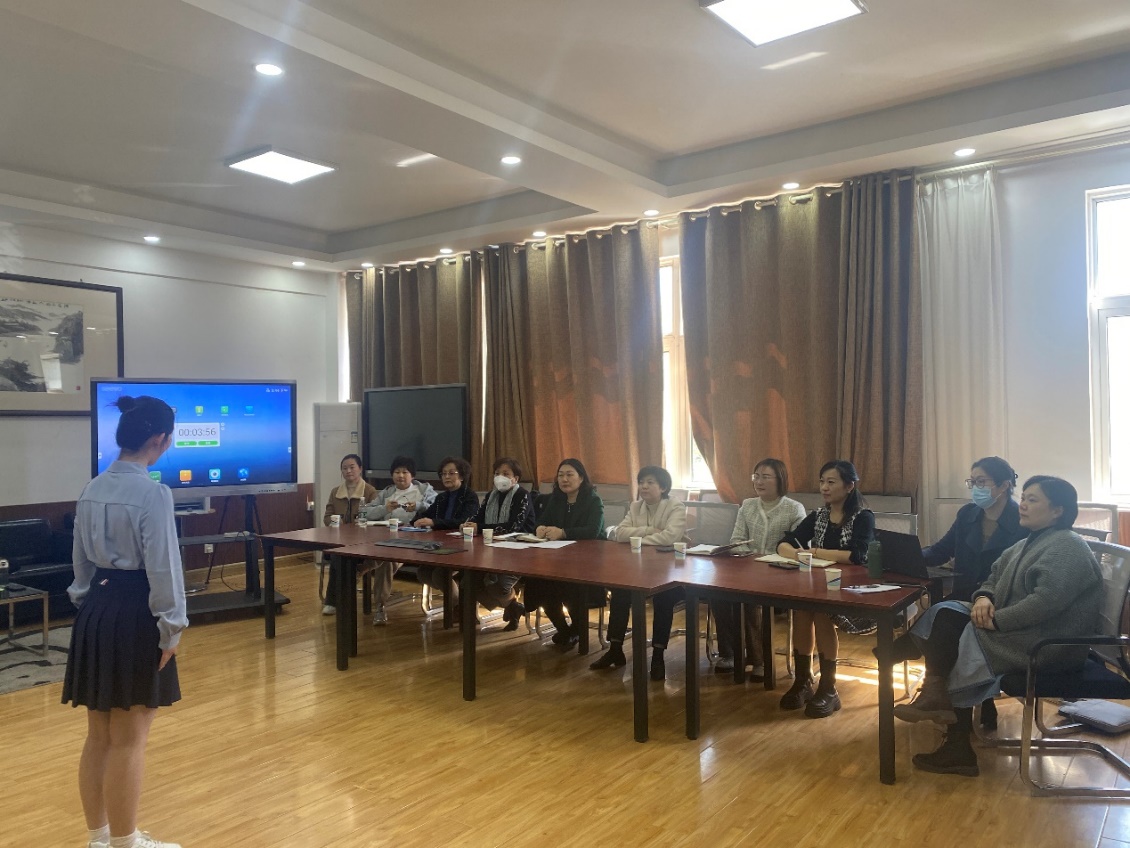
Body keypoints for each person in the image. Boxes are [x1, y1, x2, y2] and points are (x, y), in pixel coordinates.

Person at [892, 476, 1102, 777]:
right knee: (946, 614)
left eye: (1032, 500)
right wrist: (983, 598)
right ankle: (940, 704)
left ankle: (949, 729)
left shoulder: (1067, 547)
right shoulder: (1028, 542)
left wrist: (997, 620)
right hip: (1025, 633)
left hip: (1048, 646)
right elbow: (992, 577)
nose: (1023, 505)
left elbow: (1045, 602)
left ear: (1058, 511)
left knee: (958, 635)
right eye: (1024, 497)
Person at [62, 395, 187, 848]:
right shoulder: (153, 493)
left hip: (96, 608)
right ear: (160, 439)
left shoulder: (92, 487)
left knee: (99, 735)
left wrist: (91, 606)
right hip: (137, 613)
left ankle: (99, 838)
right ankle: (125, 843)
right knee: (129, 738)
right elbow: (163, 568)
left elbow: (79, 566)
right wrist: (172, 627)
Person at [777, 460, 875, 719]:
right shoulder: (819, 515)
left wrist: (815, 552)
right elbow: (784, 543)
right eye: (822, 482)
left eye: (831, 482)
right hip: (820, 583)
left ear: (849, 486)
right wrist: (797, 554)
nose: (824, 487)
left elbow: (857, 556)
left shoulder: (863, 517)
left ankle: (829, 687)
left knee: (821, 611)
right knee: (801, 609)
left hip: (853, 588)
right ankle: (803, 681)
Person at [712, 458, 807, 678]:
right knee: (718, 593)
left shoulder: (794, 508)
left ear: (780, 479)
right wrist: (749, 559)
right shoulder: (748, 505)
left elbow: (800, 546)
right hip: (747, 570)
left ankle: (760, 661)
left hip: (781, 574)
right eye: (756, 476)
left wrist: (770, 559)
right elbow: (737, 539)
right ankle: (730, 653)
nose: (759, 481)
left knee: (751, 599)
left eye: (765, 477)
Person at [590, 465, 687, 680]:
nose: (644, 486)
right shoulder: (635, 507)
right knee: (620, 591)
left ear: (663, 487)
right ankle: (615, 649)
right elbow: (619, 533)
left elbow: (670, 537)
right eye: (641, 482)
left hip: (670, 572)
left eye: (650, 482)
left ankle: (658, 655)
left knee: (663, 599)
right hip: (638, 569)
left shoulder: (675, 506)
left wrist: (637, 538)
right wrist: (650, 531)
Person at [522, 459, 605, 650]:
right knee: (538, 582)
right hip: (557, 560)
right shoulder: (556, 499)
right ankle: (564, 629)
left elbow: (593, 530)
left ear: (581, 478)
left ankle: (577, 629)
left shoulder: (593, 500)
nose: (564, 479)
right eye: (560, 475)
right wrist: (539, 528)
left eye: (569, 475)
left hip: (587, 562)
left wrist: (564, 533)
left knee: (570, 586)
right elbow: (540, 521)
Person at [924, 456, 1027, 602]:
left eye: (981, 481)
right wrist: (911, 557)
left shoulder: (1024, 521)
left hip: (999, 600)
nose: (975, 487)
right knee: (936, 612)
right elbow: (941, 551)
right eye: (972, 482)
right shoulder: (967, 514)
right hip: (963, 595)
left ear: (1004, 486)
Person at [355, 456, 436, 624]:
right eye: (397, 472)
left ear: (412, 475)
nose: (400, 476)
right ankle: (379, 604)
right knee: (385, 556)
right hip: (387, 539)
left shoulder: (424, 490)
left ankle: (367, 577)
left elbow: (436, 508)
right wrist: (384, 508)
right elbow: (364, 512)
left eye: (405, 472)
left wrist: (419, 506)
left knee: (386, 558)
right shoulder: (387, 492)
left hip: (415, 540)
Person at [463, 456, 535, 630]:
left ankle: (511, 604)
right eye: (497, 473)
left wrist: (480, 527)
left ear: (515, 478)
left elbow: (513, 526)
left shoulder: (522, 495)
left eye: (505, 473)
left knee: (497, 585)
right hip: (490, 551)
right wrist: (468, 524)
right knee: (469, 582)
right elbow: (478, 517)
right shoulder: (491, 496)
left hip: (518, 553)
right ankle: (513, 606)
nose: (500, 477)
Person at [414, 457, 480, 604]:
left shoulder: (470, 496)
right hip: (441, 545)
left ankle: (459, 607)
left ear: (461, 476)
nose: (446, 477)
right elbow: (427, 515)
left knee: (440, 574)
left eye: (451, 473)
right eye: (443, 474)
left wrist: (434, 522)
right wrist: (416, 520)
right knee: (423, 572)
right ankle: (457, 603)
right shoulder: (441, 498)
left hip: (462, 547)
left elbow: (464, 522)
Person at [320, 454, 379, 616]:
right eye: (344, 468)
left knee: (341, 557)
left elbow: (375, 517)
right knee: (337, 555)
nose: (348, 471)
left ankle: (334, 601)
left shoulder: (370, 491)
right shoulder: (335, 492)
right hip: (340, 539)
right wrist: (334, 522)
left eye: (352, 467)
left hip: (363, 541)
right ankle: (334, 601)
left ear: (360, 469)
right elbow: (327, 517)